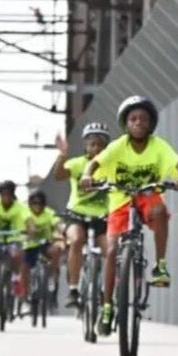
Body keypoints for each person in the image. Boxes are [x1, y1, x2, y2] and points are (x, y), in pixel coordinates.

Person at [80, 96, 178, 336]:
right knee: (111, 251)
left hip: (147, 197)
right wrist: (87, 176)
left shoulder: (158, 145)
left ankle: (160, 266)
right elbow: (95, 163)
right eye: (133, 119)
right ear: (125, 123)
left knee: (160, 210)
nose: (139, 122)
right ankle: (107, 307)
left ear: (151, 124)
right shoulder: (119, 146)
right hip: (121, 200)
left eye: (144, 119)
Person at [53, 123, 110, 309]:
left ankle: (107, 290)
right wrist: (62, 154)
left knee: (110, 250)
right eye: (92, 144)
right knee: (77, 240)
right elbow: (59, 175)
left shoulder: (112, 166)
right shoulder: (78, 163)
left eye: (100, 144)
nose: (96, 148)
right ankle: (74, 289)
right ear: (86, 145)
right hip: (76, 215)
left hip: (101, 217)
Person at [0, 180, 32, 309]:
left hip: (13, 238)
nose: (6, 197)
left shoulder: (20, 207)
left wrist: (30, 228)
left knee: (16, 255)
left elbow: (28, 219)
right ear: (0, 195)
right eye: (3, 195)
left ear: (13, 195)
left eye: (9, 194)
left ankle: (16, 279)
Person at [23, 189, 65, 303]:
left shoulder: (49, 212)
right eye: (34, 203)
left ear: (44, 204)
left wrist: (63, 230)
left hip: (45, 243)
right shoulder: (25, 213)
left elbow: (57, 223)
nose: (37, 206)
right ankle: (25, 295)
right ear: (30, 204)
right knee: (24, 267)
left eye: (40, 203)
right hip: (29, 245)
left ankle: (53, 277)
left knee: (56, 249)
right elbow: (23, 223)